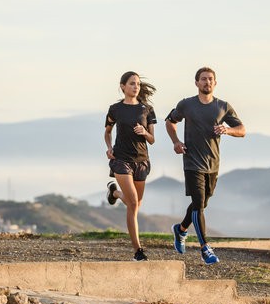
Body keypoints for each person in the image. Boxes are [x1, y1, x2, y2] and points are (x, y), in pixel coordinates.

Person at [165, 66, 245, 264]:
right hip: (192, 162)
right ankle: (205, 248)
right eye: (203, 79)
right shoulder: (186, 105)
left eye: (210, 79)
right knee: (199, 203)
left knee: (201, 204)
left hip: (213, 164)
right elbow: (169, 121)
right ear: (196, 83)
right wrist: (176, 141)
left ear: (215, 83)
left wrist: (227, 130)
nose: (207, 82)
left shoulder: (223, 106)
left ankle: (181, 229)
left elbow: (242, 129)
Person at [104, 71, 157, 261]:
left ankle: (115, 193)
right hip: (121, 159)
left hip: (141, 161)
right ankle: (138, 251)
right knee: (133, 203)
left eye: (138, 84)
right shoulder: (115, 109)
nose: (136, 87)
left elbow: (152, 140)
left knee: (135, 204)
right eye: (132, 83)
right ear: (123, 86)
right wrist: (109, 148)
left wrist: (144, 132)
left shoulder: (147, 110)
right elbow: (107, 132)